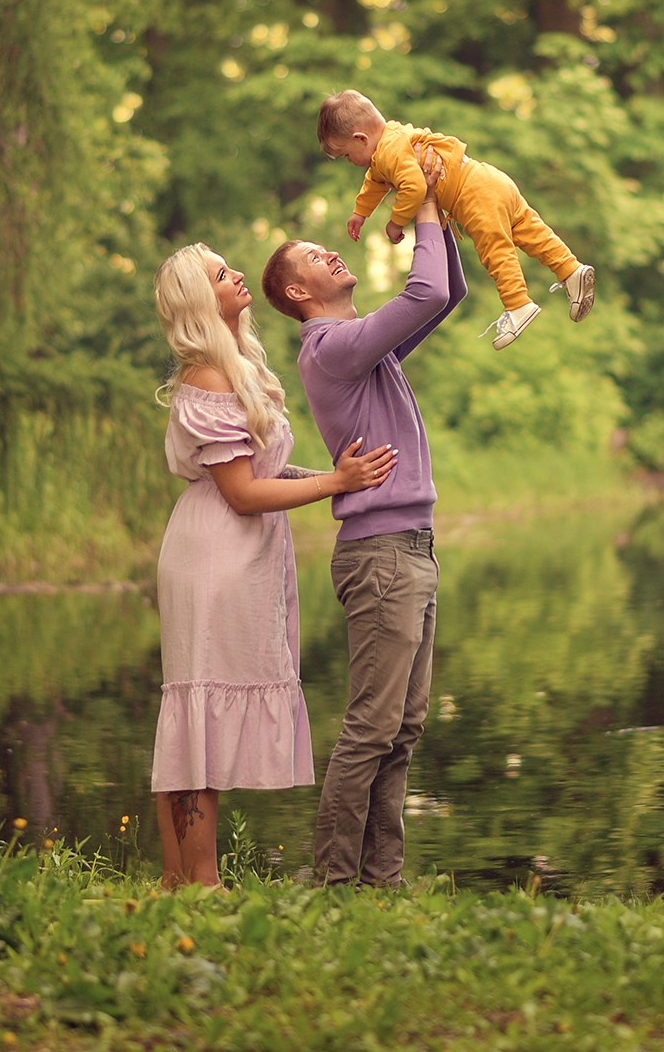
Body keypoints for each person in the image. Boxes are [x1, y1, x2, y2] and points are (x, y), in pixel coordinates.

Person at [149, 242, 399, 889]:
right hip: (213, 555)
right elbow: (240, 493)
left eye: (229, 267)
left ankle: (182, 879)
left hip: (242, 552)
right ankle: (196, 881)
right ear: (200, 301)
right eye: (220, 274)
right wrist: (332, 484)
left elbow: (261, 472)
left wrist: (338, 479)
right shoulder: (207, 374)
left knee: (197, 706)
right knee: (195, 708)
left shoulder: (239, 369)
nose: (235, 275)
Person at [260, 146, 466, 886]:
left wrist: (448, 207)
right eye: (314, 254)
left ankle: (382, 879)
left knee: (403, 728)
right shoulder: (332, 348)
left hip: (411, 548)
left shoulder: (362, 348)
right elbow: (422, 288)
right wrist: (425, 205)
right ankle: (334, 879)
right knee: (371, 727)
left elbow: (443, 293)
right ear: (297, 288)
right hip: (381, 556)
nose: (330, 251)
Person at [318, 88, 594, 350]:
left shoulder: (389, 152)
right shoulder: (392, 138)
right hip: (490, 179)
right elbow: (375, 181)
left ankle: (517, 303)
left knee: (494, 249)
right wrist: (360, 212)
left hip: (473, 195)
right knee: (529, 230)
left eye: (346, 155)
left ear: (360, 139)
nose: (351, 161)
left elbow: (415, 187)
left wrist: (396, 222)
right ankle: (571, 271)